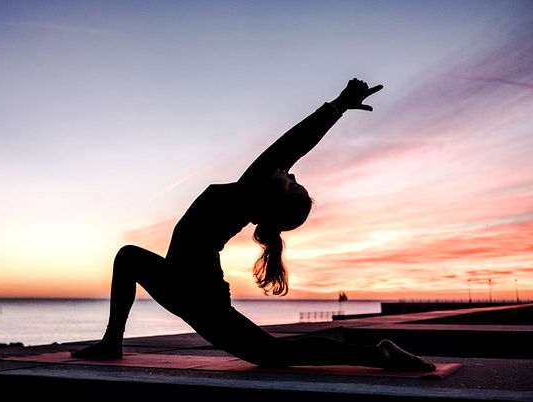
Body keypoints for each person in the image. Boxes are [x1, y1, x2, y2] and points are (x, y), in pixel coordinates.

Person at [73, 78, 435, 371]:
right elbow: (289, 153)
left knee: (273, 355)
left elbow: (291, 145)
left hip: (197, 295)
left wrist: (338, 106)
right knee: (129, 257)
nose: (290, 173)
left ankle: (378, 354)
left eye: (292, 183)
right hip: (184, 285)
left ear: (273, 201)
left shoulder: (249, 193)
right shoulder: (246, 198)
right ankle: (112, 342)